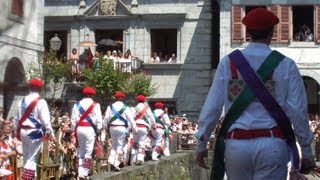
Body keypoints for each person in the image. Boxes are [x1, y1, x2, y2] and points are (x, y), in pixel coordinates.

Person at [195, 8, 315, 180]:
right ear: (272, 32)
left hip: (236, 145)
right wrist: (306, 150)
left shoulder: (228, 63)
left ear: (247, 32)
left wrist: (201, 143)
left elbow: (212, 107)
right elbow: (297, 111)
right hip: (272, 144)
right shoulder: (286, 65)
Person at [13, 78, 56, 179]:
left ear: (29, 87)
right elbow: (46, 121)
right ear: (40, 89)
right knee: (32, 158)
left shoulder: (21, 101)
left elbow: (16, 119)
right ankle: (26, 178)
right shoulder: (41, 102)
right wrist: (51, 133)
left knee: (27, 157)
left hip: (23, 131)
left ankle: (32, 177)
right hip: (35, 132)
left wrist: (16, 133)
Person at [70, 87, 102, 179]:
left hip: (79, 128)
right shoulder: (95, 105)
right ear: (92, 94)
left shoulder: (77, 104)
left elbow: (73, 119)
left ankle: (79, 171)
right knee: (88, 151)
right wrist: (98, 130)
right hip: (90, 129)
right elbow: (99, 120)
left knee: (80, 151)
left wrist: (73, 130)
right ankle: (85, 172)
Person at [104, 91, 137, 171]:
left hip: (112, 127)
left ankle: (111, 160)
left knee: (113, 145)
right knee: (120, 146)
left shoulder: (110, 107)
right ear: (122, 98)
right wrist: (135, 128)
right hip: (122, 128)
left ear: (115, 98)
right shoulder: (125, 107)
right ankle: (116, 163)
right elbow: (131, 119)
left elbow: (106, 118)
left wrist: (104, 127)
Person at [130, 95, 156, 165]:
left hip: (135, 127)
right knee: (142, 143)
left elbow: (131, 118)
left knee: (135, 143)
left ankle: (133, 160)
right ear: (144, 100)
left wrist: (130, 127)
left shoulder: (134, 108)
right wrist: (153, 125)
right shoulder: (147, 108)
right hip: (144, 127)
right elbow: (151, 117)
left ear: (137, 100)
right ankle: (140, 158)